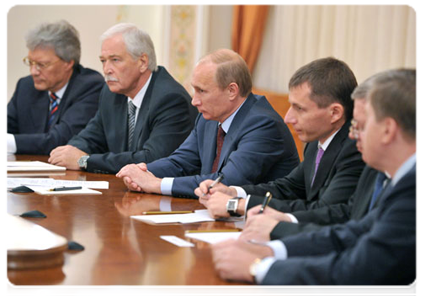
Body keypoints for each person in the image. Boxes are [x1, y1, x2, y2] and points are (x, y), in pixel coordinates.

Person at [212, 69, 420, 296]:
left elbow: (355, 271)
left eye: (359, 126)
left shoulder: (414, 188)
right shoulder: (390, 174)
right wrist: (273, 250)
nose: (352, 135)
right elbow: (354, 232)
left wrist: (257, 267)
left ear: (388, 130)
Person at [116, 49, 300, 198]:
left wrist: (156, 184)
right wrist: (141, 171)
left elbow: (227, 182)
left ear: (232, 91)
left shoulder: (263, 125)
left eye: (202, 91)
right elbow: (181, 162)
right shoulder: (209, 119)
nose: (194, 101)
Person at [196, 57, 365, 218]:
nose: (288, 118)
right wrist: (233, 192)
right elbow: (289, 188)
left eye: (299, 109)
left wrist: (238, 205)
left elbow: (325, 211)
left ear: (335, 113)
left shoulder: (355, 148)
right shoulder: (316, 141)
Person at [241, 74, 389, 241]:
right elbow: (346, 216)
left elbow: (338, 219)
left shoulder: (360, 154)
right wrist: (236, 194)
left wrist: (277, 228)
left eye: (360, 126)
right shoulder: (316, 143)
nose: (287, 118)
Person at [48, 23, 197, 174]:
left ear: (143, 62)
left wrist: (85, 161)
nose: (106, 69)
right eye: (103, 61)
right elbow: (91, 137)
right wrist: (69, 152)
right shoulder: (111, 92)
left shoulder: (170, 99)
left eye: (115, 60)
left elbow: (151, 159)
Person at [5, 20, 103, 155]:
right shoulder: (26, 86)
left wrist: (7, 143)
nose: (33, 71)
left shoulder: (90, 86)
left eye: (42, 64)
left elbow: (60, 139)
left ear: (68, 63)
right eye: (31, 62)